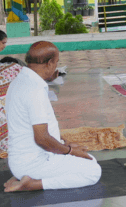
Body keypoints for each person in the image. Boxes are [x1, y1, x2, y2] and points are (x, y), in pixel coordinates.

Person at [4, 41, 101, 192]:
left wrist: (63, 143)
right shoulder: (34, 90)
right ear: (49, 63)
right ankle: (32, 184)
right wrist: (69, 150)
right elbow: (41, 138)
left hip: (21, 160)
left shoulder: (21, 81)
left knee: (89, 159)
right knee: (93, 171)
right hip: (34, 162)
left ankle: (23, 176)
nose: (56, 67)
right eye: (56, 63)